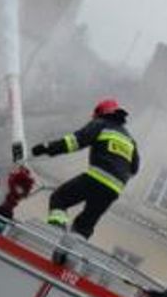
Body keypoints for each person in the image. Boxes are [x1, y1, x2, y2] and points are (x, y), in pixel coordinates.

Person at [30, 97, 140, 240]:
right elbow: (135, 168)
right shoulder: (130, 140)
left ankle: (55, 232)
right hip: (114, 189)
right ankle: (72, 250)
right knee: (86, 223)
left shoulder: (100, 124)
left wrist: (47, 148)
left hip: (96, 178)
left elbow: (74, 142)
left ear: (101, 113)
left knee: (60, 198)